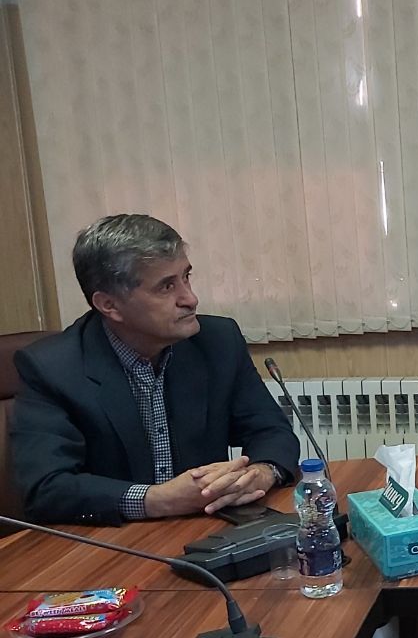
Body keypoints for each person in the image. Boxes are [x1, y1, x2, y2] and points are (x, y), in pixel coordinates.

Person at [10, 214, 300, 525]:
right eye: (166, 287)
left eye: (186, 277)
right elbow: (46, 489)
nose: (190, 299)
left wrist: (262, 472)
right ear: (109, 305)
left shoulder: (217, 342)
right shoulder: (52, 368)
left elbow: (271, 431)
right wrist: (156, 500)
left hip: (205, 530)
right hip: (110, 540)